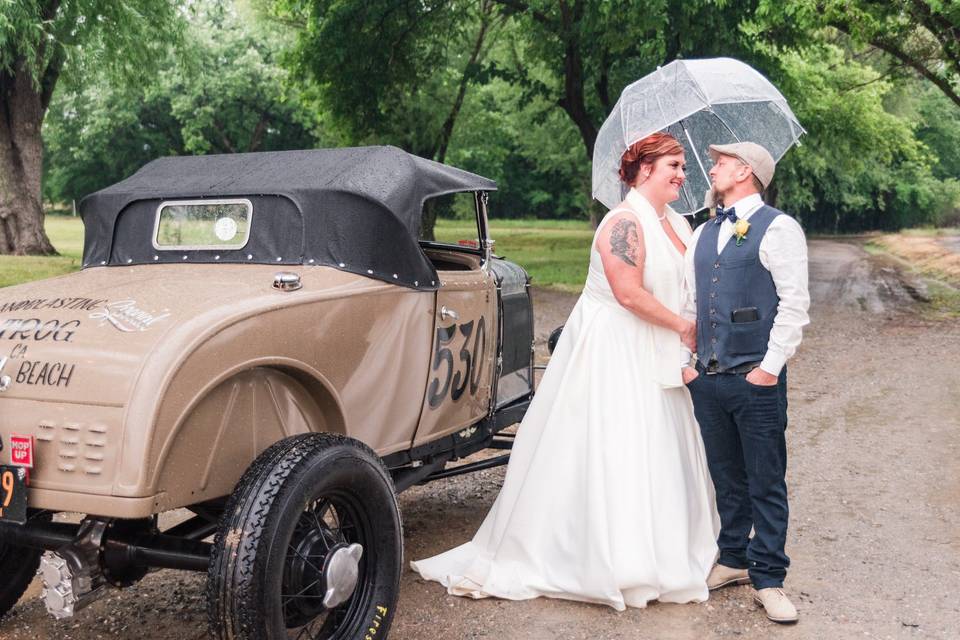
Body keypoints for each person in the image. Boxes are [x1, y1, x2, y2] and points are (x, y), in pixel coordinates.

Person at [411, 132, 719, 611]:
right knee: (613, 445)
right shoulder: (623, 223)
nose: (682, 174)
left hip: (655, 348)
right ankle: (604, 556)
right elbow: (629, 294)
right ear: (643, 172)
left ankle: (666, 546)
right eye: (673, 166)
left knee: (658, 444)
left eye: (683, 165)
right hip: (616, 349)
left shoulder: (675, 221)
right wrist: (685, 328)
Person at [681, 142, 810, 624]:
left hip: (756, 378)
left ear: (744, 170)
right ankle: (733, 559)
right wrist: (685, 364)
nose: (710, 169)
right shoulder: (703, 232)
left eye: (718, 163)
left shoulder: (779, 228)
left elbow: (794, 305)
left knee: (765, 478)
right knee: (725, 477)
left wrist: (768, 368)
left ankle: (770, 577)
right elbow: (690, 303)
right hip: (707, 378)